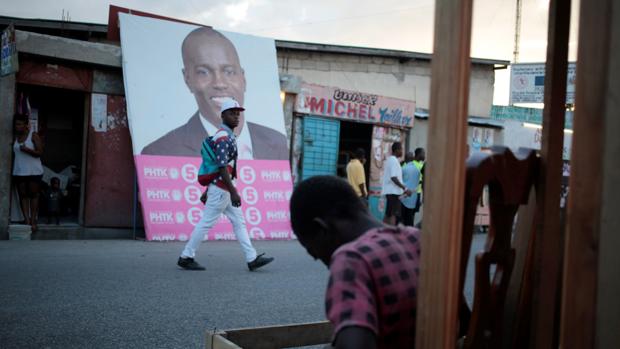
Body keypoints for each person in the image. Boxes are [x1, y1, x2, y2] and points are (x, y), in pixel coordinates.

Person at [290, 176, 420, 349]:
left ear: (321, 230)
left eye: (312, 250)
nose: (316, 258)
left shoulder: (352, 260)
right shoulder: (417, 238)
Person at [141, 27, 288, 160]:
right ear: (187, 79)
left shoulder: (278, 143)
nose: (219, 83)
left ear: (243, 78)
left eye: (229, 72)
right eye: (203, 72)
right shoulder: (161, 152)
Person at [177, 99, 274, 271]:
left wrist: (209, 190)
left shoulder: (227, 135)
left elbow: (218, 167)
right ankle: (186, 256)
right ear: (223, 115)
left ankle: (251, 258)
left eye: (238, 114)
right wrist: (233, 192)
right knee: (206, 223)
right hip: (223, 189)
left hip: (222, 189)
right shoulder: (223, 137)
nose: (236, 117)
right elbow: (222, 167)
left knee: (239, 222)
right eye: (232, 113)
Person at [12, 113, 44, 231]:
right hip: (19, 171)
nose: (17, 126)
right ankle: (27, 220)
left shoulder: (33, 135)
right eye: (16, 124)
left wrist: (27, 150)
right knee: (23, 196)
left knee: (34, 195)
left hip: (34, 171)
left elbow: (40, 152)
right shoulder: (15, 137)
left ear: (26, 125)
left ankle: (34, 220)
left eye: (20, 124)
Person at [381, 142, 411, 225]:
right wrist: (405, 188)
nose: (402, 151)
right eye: (401, 149)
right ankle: (390, 234)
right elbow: (393, 177)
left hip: (391, 192)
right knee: (393, 215)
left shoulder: (390, 160)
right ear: (397, 150)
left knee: (388, 214)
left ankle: (382, 232)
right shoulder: (394, 161)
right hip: (393, 193)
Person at [400, 152, 421, 227]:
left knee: (401, 220)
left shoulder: (403, 168)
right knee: (410, 219)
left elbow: (400, 183)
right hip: (413, 198)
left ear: (405, 159)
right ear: (412, 159)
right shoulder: (417, 170)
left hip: (403, 198)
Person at [412, 148, 426, 223]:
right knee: (411, 214)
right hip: (414, 193)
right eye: (423, 153)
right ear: (419, 154)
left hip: (418, 192)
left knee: (412, 213)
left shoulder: (421, 165)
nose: (424, 155)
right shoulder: (416, 165)